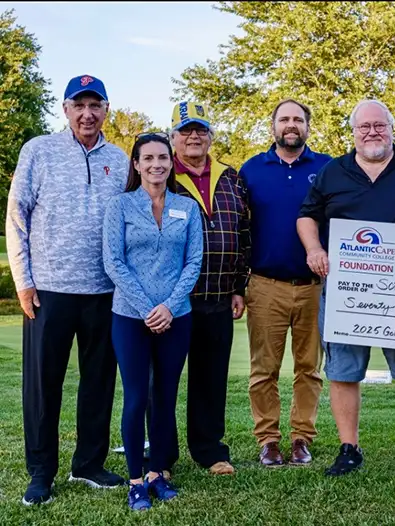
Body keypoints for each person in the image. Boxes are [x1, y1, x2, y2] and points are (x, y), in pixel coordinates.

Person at [297, 99, 395, 477]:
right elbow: (307, 216)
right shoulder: (333, 172)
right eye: (364, 127)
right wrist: (314, 249)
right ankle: (349, 448)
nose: (372, 132)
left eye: (380, 125)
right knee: (343, 369)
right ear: (354, 132)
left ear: (392, 129)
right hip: (348, 290)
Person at [6, 74, 129, 506]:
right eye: (79, 105)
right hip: (49, 291)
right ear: (65, 109)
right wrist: (23, 282)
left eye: (95, 105)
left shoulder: (120, 159)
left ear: (106, 110)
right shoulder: (38, 150)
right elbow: (16, 217)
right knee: (44, 387)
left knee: (98, 383)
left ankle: (89, 464)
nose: (87, 114)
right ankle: (41, 472)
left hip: (104, 292)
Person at [103, 133, 203, 511]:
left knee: (164, 397)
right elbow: (114, 262)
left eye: (162, 157)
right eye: (148, 158)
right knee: (136, 397)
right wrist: (148, 308)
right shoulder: (121, 206)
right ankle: (135, 480)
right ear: (137, 164)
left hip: (177, 317)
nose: (156, 164)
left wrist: (169, 307)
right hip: (130, 317)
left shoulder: (186, 207)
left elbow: (193, 262)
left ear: (170, 162)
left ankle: (157, 473)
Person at [240, 99, 332, 467]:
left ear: (307, 126)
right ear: (273, 126)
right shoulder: (251, 170)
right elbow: (240, 228)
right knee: (264, 370)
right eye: (284, 119)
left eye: (298, 119)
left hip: (315, 285)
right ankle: (268, 440)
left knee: (309, 368)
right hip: (265, 284)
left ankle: (301, 438)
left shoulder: (327, 168)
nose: (291, 125)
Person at [167, 101, 251, 476]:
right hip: (173, 299)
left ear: (211, 136)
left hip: (218, 296)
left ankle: (209, 450)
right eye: (185, 130)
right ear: (173, 137)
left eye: (200, 130)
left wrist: (239, 286)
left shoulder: (230, 177)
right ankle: (161, 457)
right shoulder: (162, 174)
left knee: (211, 379)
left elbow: (244, 233)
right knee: (164, 379)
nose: (194, 137)